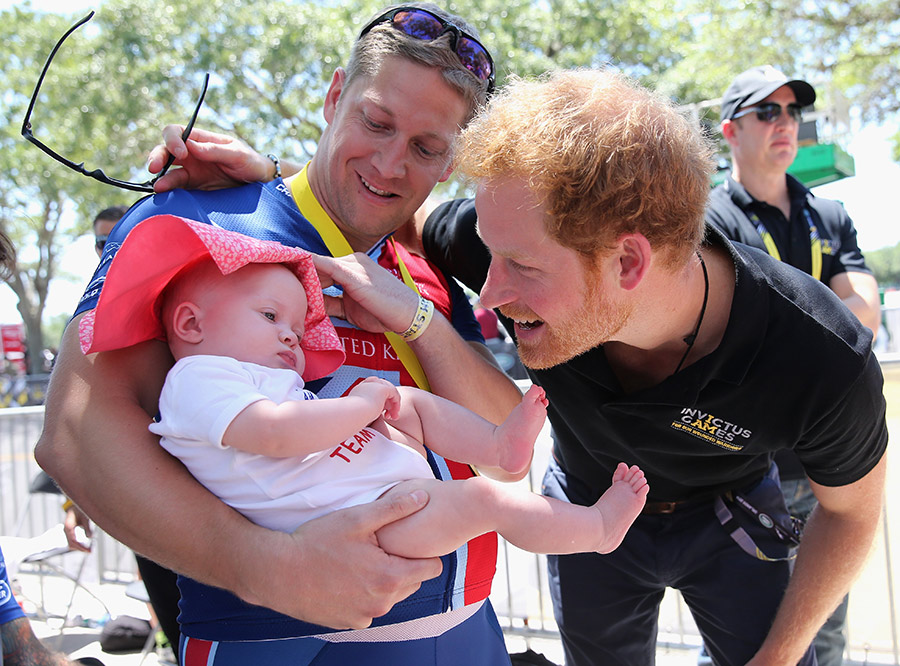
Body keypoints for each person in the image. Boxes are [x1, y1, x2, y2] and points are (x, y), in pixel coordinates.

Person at [37, 4, 525, 664]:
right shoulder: (203, 213)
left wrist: (415, 317)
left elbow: (502, 451)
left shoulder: (415, 270)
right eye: (375, 122)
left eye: (425, 147)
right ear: (333, 97)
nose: (388, 162)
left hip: (470, 630)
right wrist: (264, 566)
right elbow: (76, 433)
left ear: (450, 161)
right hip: (282, 638)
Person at [413, 69, 886, 666]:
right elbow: (403, 214)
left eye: (521, 267)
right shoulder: (515, 230)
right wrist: (271, 179)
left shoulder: (820, 357)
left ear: (628, 261)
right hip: (587, 512)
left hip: (732, 518)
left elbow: (850, 514)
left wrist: (778, 659)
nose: (488, 294)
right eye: (489, 254)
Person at [82, 215, 648, 564]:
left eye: (295, 323)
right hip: (373, 521)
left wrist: (372, 408)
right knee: (487, 500)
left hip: (378, 494)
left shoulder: (259, 377)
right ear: (190, 325)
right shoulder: (196, 380)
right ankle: (595, 529)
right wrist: (360, 407)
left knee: (412, 403)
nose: (289, 332)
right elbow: (273, 434)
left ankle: (498, 445)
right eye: (270, 315)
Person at [705, 65, 882, 666]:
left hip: (829, 464)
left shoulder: (828, 214)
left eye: (792, 113)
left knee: (824, 632)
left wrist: (782, 321)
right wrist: (822, 316)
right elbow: (728, 338)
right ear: (730, 130)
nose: (786, 125)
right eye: (768, 112)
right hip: (748, 468)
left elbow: (865, 320)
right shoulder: (710, 219)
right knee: (744, 639)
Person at [65, 204, 184, 661]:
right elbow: (83, 427)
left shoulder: (184, 296)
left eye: (120, 238)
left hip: (213, 502)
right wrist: (76, 502)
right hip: (147, 512)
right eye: (102, 242)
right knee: (181, 636)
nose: (110, 250)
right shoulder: (93, 316)